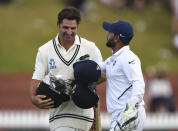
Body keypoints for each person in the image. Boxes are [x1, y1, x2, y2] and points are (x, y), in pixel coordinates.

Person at [30, 7, 102, 131]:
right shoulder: (44, 50)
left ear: (77, 27)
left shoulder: (90, 48)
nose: (69, 32)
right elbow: (36, 80)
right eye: (65, 27)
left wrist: (77, 82)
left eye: (73, 28)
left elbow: (103, 74)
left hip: (87, 117)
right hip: (59, 118)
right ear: (58, 25)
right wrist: (33, 99)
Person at [99, 20, 146, 131]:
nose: (107, 35)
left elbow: (138, 82)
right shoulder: (114, 59)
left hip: (127, 115)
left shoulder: (128, 57)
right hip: (120, 114)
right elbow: (96, 68)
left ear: (116, 38)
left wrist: (131, 110)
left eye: (110, 32)